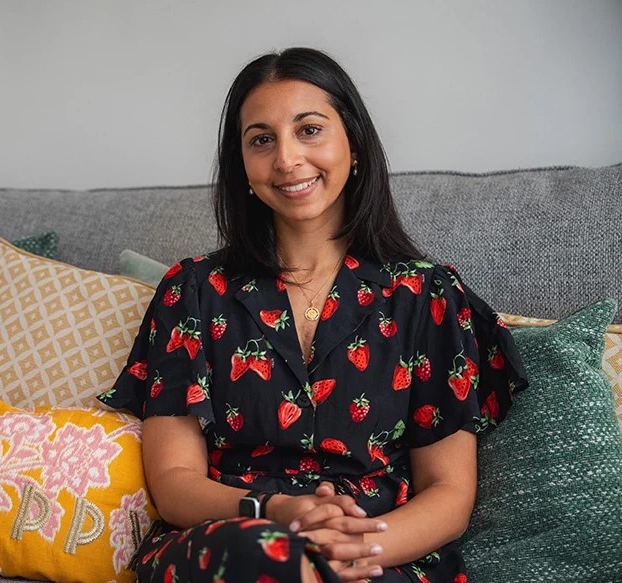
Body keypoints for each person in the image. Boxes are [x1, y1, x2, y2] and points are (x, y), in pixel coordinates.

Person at [98, 47, 528, 582]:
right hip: (232, 544)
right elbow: (174, 481)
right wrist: (275, 515)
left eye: (309, 130)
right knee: (268, 559)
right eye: (261, 140)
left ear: (355, 144)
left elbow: (448, 491)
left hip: (380, 552)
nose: (286, 159)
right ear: (243, 166)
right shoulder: (192, 293)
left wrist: (353, 549)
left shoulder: (426, 295)